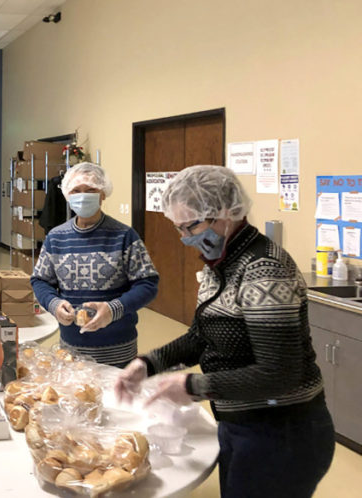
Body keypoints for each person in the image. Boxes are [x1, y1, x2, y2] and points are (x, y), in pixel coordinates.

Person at [115, 165, 335, 497]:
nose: (185, 238)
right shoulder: (223, 264)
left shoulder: (264, 269)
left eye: (190, 226)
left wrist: (193, 385)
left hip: (283, 431)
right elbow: (201, 336)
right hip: (243, 421)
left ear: (226, 214)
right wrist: (147, 364)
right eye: (178, 228)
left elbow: (280, 372)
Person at [31, 162, 159, 366]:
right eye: (76, 190)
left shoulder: (124, 236)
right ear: (67, 195)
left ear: (103, 194)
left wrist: (113, 309)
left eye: (91, 190)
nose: (83, 196)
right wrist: (53, 304)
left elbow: (148, 284)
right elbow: (40, 280)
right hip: (70, 350)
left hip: (118, 351)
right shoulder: (56, 238)